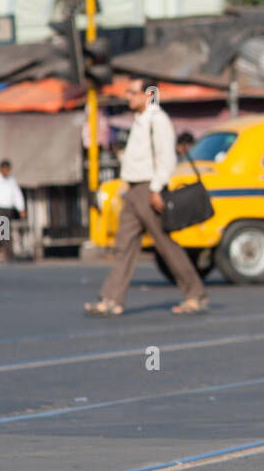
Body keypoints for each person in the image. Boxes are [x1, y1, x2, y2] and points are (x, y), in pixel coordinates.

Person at [84, 77, 208, 317]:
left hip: (148, 190)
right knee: (124, 246)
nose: (128, 97)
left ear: (148, 94)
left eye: (132, 92)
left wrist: (156, 188)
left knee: (165, 245)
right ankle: (111, 299)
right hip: (132, 190)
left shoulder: (157, 120)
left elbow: (167, 158)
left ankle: (195, 294)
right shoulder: (139, 121)